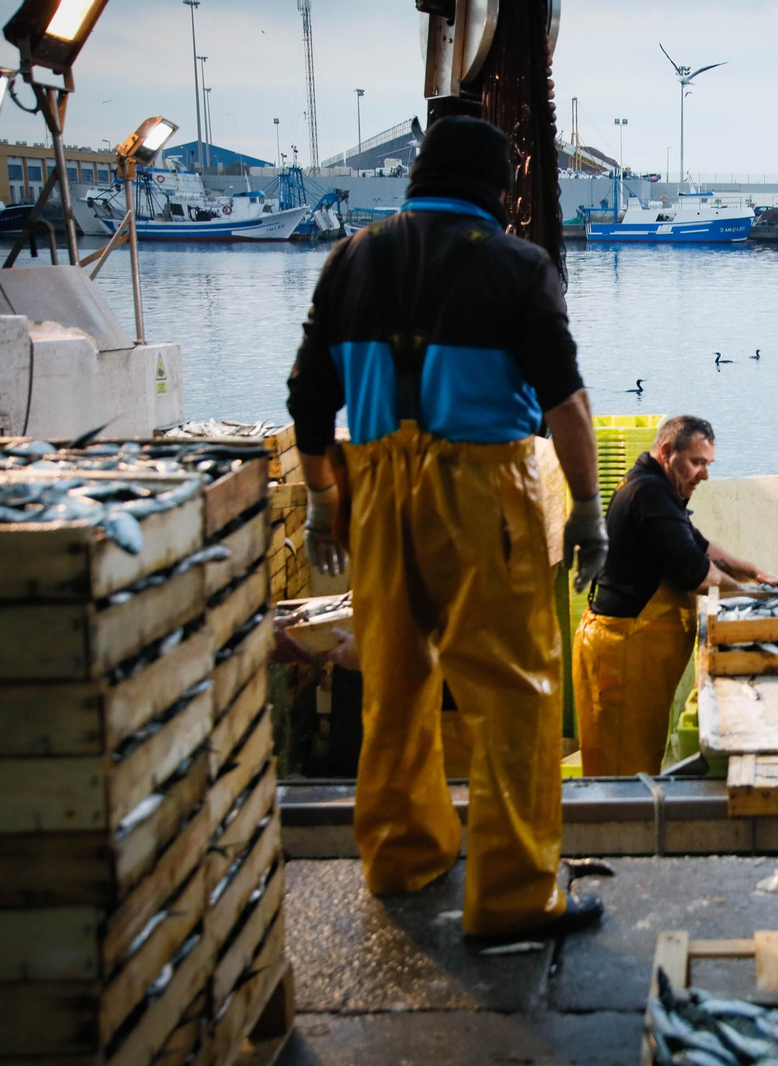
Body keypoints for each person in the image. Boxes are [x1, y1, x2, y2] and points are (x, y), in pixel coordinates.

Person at [286, 116, 610, 941]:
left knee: (394, 685)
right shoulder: (516, 264)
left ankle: (401, 860)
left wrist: (325, 496)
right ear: (498, 190)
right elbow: (567, 403)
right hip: (482, 489)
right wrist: (588, 509)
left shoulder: (350, 257)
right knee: (513, 697)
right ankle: (510, 899)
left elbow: (307, 396)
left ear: (417, 176)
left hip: (377, 489)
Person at [573, 415, 778, 776]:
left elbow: (701, 547)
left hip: (636, 656)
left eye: (708, 464)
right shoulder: (647, 493)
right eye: (697, 462)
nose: (704, 474)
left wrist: (756, 573)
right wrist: (760, 601)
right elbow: (698, 574)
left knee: (639, 760)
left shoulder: (661, 489)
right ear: (667, 451)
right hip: (619, 654)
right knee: (620, 775)